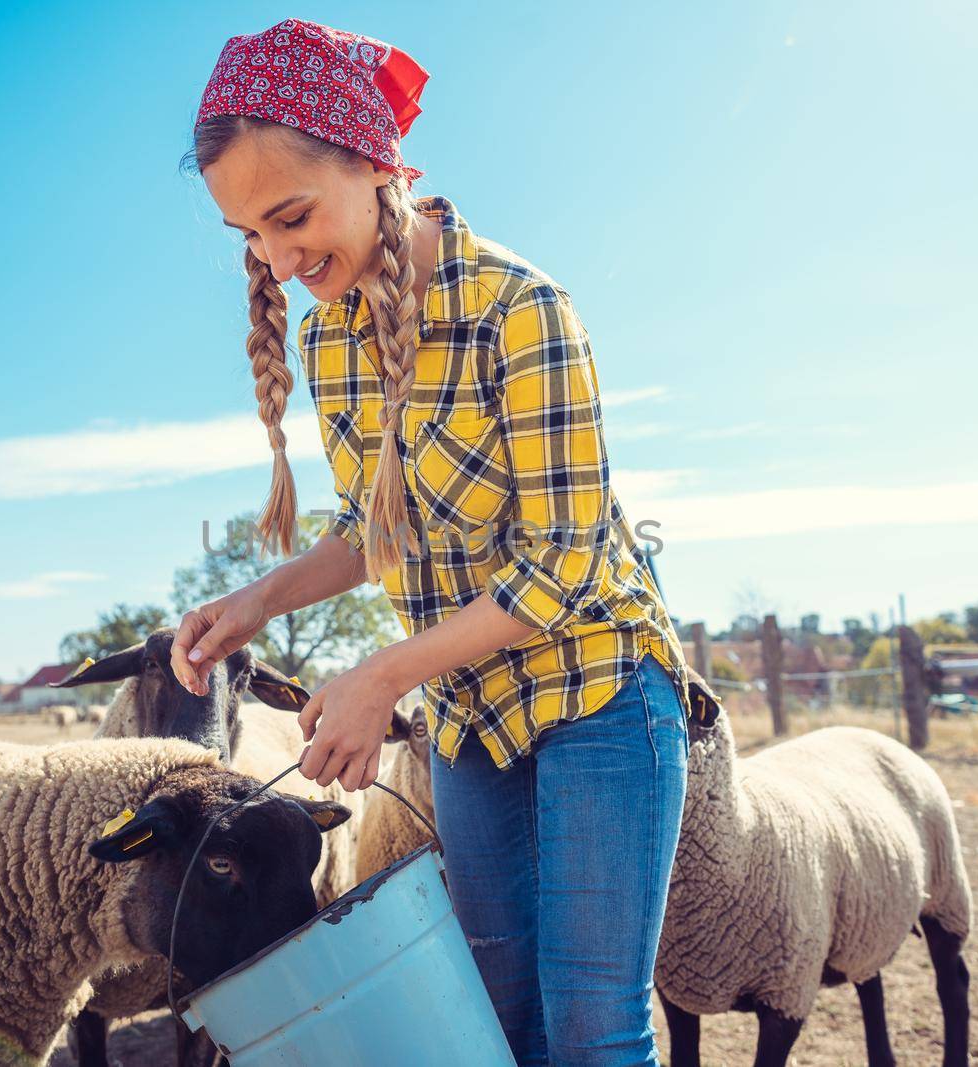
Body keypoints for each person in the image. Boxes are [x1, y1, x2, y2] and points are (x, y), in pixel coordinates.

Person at [170, 18, 694, 1066]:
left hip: (593, 690)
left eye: (291, 216)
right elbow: (376, 529)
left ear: (372, 163)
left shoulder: (521, 309)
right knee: (493, 1011)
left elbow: (565, 565)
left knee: (594, 1026)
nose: (277, 258)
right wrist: (259, 600)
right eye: (250, 238)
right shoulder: (326, 338)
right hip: (469, 718)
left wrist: (381, 676)